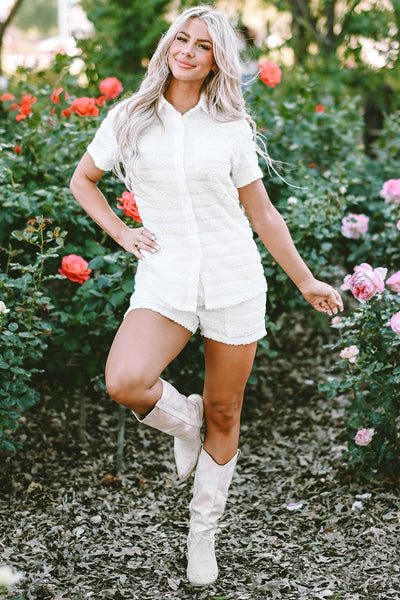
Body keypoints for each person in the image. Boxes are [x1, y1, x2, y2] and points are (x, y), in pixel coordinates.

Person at [70, 5, 343, 588]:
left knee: (226, 410)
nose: (187, 51)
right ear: (169, 44)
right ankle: (184, 420)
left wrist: (306, 281)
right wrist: (122, 233)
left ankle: (202, 536)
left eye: (202, 45)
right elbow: (82, 181)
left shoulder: (230, 128)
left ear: (218, 60)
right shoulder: (128, 119)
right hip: (165, 279)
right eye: (181, 39)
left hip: (233, 279)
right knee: (126, 381)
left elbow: (262, 213)